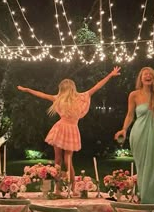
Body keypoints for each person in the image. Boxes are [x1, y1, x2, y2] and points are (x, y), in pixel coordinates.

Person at [17, 66, 121, 194]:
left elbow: (42, 95)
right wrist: (110, 75)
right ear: (73, 88)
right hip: (71, 129)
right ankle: (71, 189)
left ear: (62, 89)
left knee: (58, 160)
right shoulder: (81, 97)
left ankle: (58, 189)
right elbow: (97, 86)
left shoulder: (59, 98)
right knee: (68, 160)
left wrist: (27, 89)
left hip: (61, 128)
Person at [115, 67, 154, 209]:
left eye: (150, 74)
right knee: (144, 168)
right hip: (139, 133)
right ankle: (147, 200)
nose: (148, 76)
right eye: (145, 74)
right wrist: (124, 129)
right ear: (141, 79)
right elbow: (130, 115)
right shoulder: (134, 95)